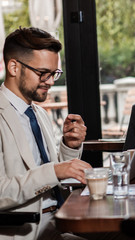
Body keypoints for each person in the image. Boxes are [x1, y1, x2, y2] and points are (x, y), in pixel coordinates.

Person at [0, 27, 92, 240]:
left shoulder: (39, 113)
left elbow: (52, 175)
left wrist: (69, 146)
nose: (50, 81)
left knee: (134, 232)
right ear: (13, 66)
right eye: (43, 73)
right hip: (27, 230)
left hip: (59, 221)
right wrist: (57, 170)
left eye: (54, 74)